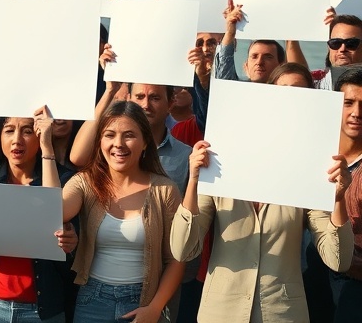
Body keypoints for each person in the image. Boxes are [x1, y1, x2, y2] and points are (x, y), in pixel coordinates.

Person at [170, 130, 353, 322]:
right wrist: (193, 181)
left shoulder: (302, 181)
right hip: (221, 312)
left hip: (282, 313)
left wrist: (338, 199)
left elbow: (338, 260)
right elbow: (183, 250)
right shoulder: (219, 178)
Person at [64, 60, 185, 322]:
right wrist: (48, 153)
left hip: (142, 302)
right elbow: (57, 211)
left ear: (144, 143)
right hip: (91, 301)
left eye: (129, 135)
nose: (118, 144)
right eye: (109, 135)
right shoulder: (87, 182)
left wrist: (154, 309)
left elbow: (176, 259)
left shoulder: (165, 190)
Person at [0, 108, 78, 323]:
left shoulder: (65, 181)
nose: (16, 140)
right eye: (9, 130)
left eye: (27, 131)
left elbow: (65, 236)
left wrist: (70, 241)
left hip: (42, 313)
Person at [329, 68, 362, 322]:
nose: (356, 113)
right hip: (305, 276)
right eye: (348, 103)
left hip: (353, 284)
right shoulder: (314, 154)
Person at [287, 13, 362, 90]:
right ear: (329, 47)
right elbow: (297, 72)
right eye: (335, 43)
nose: (342, 49)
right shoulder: (316, 81)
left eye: (351, 43)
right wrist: (292, 32)